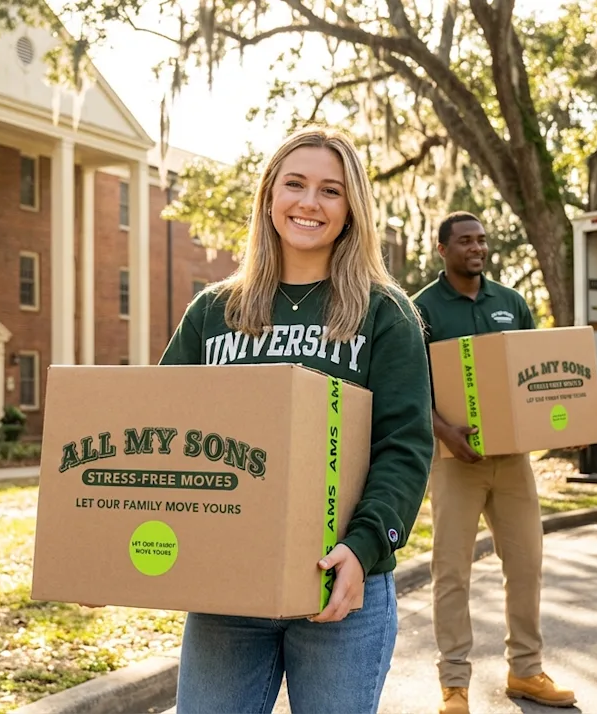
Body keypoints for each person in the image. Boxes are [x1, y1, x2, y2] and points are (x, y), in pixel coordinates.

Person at [158, 126, 435, 714]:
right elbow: (160, 434)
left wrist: (363, 548)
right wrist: (110, 558)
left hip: (341, 588)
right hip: (225, 591)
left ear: (352, 209)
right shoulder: (214, 312)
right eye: (296, 184)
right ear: (268, 197)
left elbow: (404, 447)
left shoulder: (385, 314)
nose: (310, 203)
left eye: (331, 190)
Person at [413, 211, 577, 713]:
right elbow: (410, 387)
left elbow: (530, 374)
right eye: (465, 241)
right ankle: (455, 683)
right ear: (443, 250)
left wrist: (546, 424)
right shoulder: (420, 309)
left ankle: (526, 671)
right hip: (454, 461)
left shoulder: (511, 303)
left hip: (512, 463)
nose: (477, 248)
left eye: (482, 240)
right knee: (452, 572)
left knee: (526, 565)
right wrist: (445, 432)